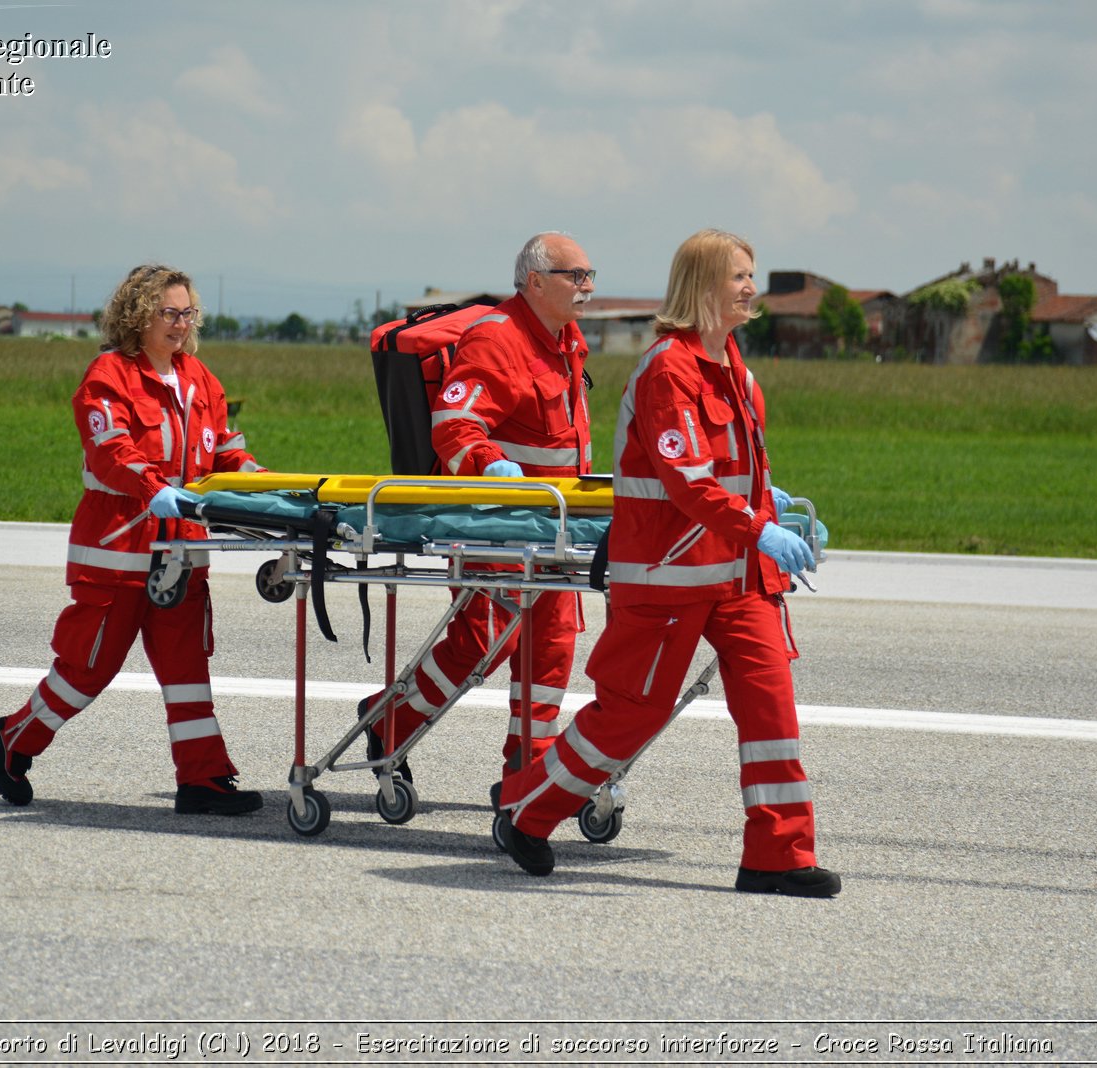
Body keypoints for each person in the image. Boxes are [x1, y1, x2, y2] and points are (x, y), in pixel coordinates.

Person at [493, 229, 840, 897]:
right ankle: (527, 812)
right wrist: (760, 531)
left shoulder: (735, 367)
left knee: (772, 710)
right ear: (703, 287)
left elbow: (742, 475)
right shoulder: (668, 370)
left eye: (751, 275)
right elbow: (688, 481)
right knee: (629, 716)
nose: (751, 288)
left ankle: (778, 856)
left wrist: (777, 513)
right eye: (738, 276)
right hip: (668, 580)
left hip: (739, 580)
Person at [0, 264, 265, 816]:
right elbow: (112, 452)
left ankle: (202, 779)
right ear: (138, 315)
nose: (181, 325)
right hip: (119, 549)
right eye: (170, 313)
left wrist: (254, 478)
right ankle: (13, 739)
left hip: (181, 551)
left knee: (187, 671)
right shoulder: (108, 375)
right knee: (89, 668)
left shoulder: (200, 379)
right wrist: (153, 487)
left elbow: (225, 448)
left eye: (188, 313)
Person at [359, 231, 596, 785]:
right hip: (496, 525)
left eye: (590, 276)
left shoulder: (568, 340)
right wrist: (492, 467)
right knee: (485, 639)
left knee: (552, 647)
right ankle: (388, 723)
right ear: (536, 282)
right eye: (575, 276)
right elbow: (455, 425)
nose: (587, 286)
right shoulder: (498, 338)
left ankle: (528, 770)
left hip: (554, 526)